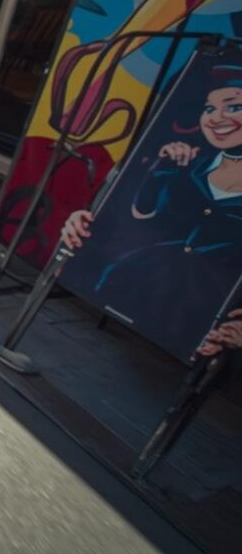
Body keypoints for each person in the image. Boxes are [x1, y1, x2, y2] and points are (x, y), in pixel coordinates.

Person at [61, 64, 242, 354]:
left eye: (233, 106)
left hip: (205, 315)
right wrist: (161, 169)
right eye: (209, 109)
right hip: (138, 281)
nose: (217, 117)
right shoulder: (190, 162)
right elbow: (140, 215)